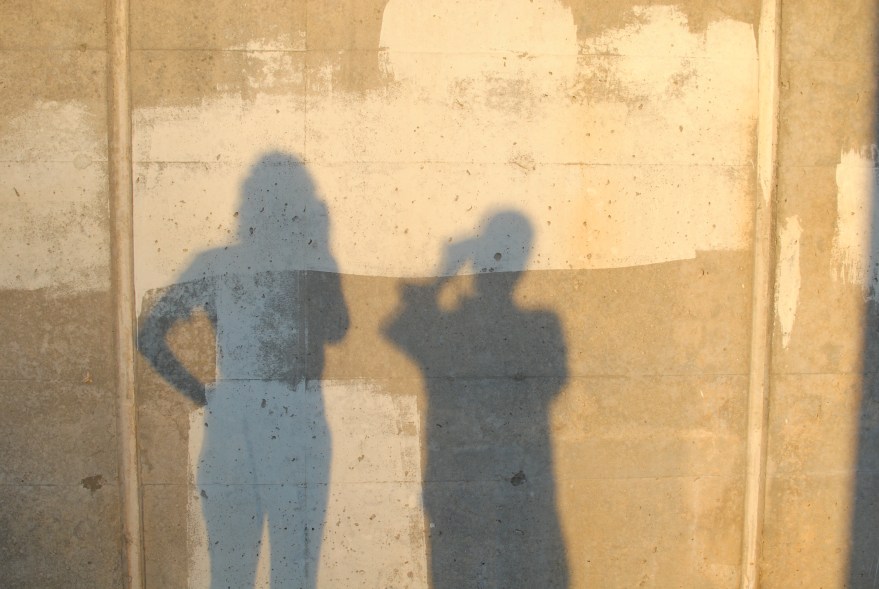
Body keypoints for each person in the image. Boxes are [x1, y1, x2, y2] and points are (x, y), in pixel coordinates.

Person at [138, 152, 348, 588]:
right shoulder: (296, 261)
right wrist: (200, 392)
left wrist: (202, 393)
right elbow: (337, 329)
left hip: (246, 421)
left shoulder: (221, 263)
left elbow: (150, 334)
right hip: (282, 424)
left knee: (238, 572)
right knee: (288, 572)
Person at [384, 210, 569, 588]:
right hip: (466, 485)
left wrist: (445, 275)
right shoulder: (461, 323)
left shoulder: (535, 324)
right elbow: (395, 328)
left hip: (505, 485)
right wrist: (444, 276)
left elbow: (399, 325)